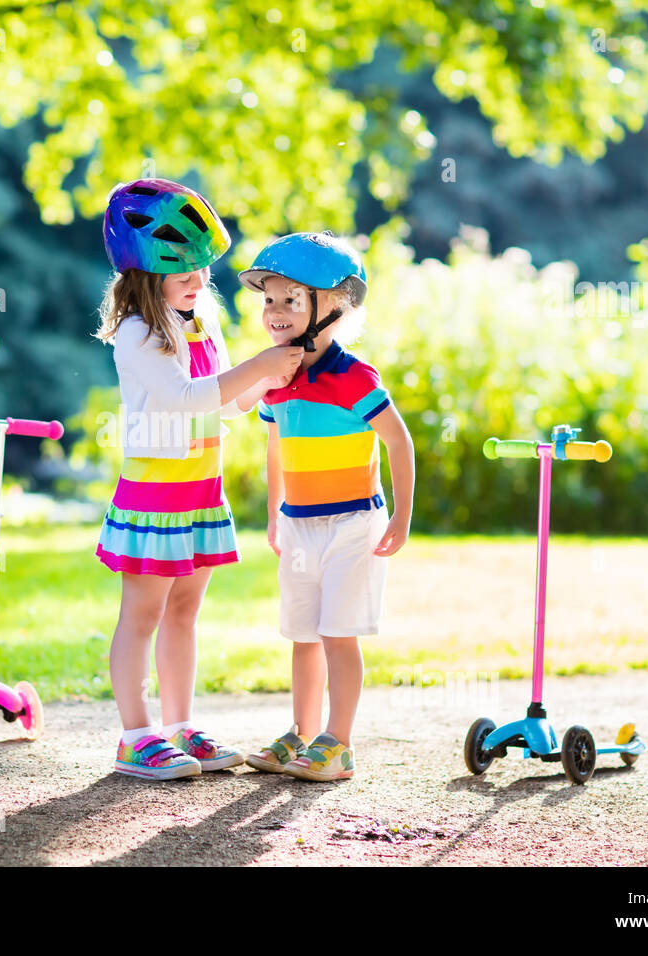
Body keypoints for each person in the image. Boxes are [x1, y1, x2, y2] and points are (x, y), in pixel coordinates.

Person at [94, 179, 304, 780]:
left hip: (200, 493)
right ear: (143, 272)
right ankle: (136, 735)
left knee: (184, 612)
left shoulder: (200, 321)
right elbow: (186, 399)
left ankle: (179, 726)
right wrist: (258, 366)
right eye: (182, 271)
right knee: (142, 614)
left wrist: (269, 386)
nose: (198, 281)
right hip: (154, 494)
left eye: (202, 269)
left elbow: (225, 403)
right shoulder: (138, 333)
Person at [238, 232, 415, 782]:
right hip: (299, 526)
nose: (275, 310)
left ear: (332, 306)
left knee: (339, 634)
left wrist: (403, 516)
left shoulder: (354, 377)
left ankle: (338, 743)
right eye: (269, 298)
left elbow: (398, 442)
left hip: (352, 523)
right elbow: (275, 446)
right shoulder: (275, 375)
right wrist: (274, 512)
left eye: (292, 299)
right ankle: (303, 733)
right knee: (303, 635)